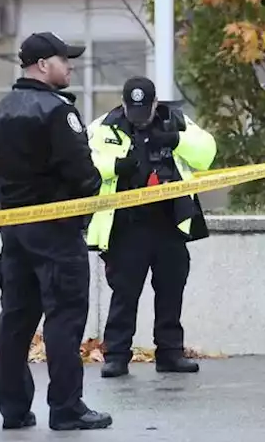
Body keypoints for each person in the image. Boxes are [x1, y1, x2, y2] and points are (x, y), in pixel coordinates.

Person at [0, 32, 110, 431]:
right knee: (64, 317)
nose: (70, 66)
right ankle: (67, 408)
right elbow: (82, 174)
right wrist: (91, 190)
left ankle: (14, 410)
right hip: (56, 231)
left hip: (14, 230)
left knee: (16, 319)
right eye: (64, 60)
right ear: (42, 65)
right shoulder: (58, 111)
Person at [85, 76, 217, 378]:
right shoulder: (104, 126)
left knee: (171, 290)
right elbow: (84, 161)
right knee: (124, 293)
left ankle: (170, 353)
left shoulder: (176, 121)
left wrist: (176, 140)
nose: (139, 118)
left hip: (169, 222)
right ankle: (116, 355)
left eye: (145, 111)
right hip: (126, 224)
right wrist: (117, 166)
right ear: (123, 104)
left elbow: (207, 153)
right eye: (133, 111)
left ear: (155, 104)